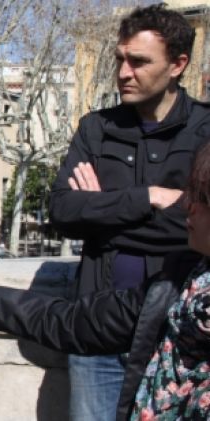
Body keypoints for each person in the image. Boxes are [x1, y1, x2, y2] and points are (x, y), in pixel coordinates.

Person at [0, 141, 210, 420]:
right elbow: (74, 322)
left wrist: (103, 209)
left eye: (200, 198)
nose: (186, 206)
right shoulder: (180, 283)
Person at [47, 5, 210, 420]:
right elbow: (63, 210)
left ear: (178, 64)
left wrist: (102, 215)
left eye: (138, 62)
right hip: (97, 330)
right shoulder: (96, 128)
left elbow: (190, 229)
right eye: (120, 58)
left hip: (179, 337)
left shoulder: (206, 131)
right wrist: (149, 197)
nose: (123, 72)